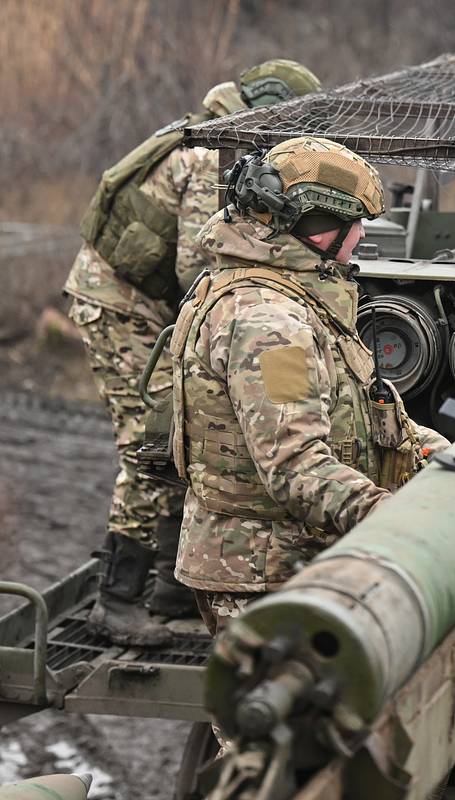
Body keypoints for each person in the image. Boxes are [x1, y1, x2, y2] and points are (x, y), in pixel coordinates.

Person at [65, 60, 322, 646]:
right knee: (151, 442)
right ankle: (117, 600)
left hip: (147, 304)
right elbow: (193, 265)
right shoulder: (212, 156)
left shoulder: (218, 138)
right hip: (120, 306)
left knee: (186, 432)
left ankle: (169, 588)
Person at [168, 136, 446, 637]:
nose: (361, 235)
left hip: (287, 565)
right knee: (281, 716)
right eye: (353, 221)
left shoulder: (291, 296)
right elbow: (295, 465)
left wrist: (439, 458)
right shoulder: (270, 325)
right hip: (264, 574)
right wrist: (397, 522)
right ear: (316, 228)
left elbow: (360, 409)